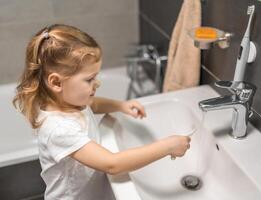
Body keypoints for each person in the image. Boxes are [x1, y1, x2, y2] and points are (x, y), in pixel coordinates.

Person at [13, 24, 191, 200]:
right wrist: (167, 147)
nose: (96, 84)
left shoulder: (71, 102)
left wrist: (120, 105)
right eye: (89, 79)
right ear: (57, 83)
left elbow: (94, 105)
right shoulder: (58, 129)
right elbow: (112, 164)